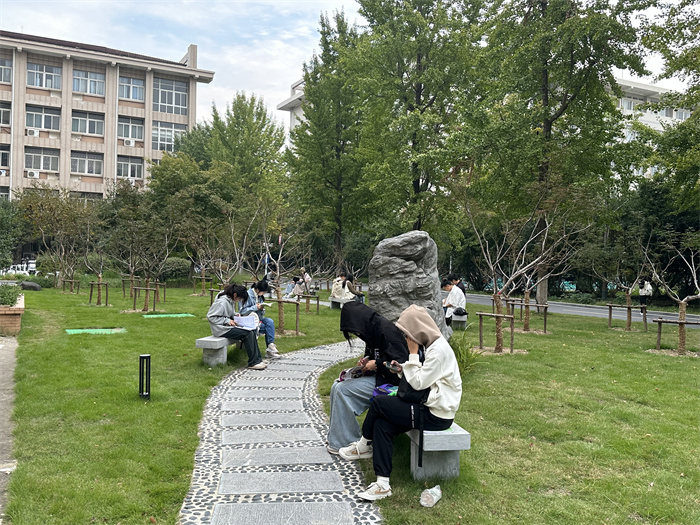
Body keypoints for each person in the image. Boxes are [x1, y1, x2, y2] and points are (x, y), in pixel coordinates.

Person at [339, 304, 462, 501]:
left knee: (379, 403)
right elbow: (423, 375)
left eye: (407, 335)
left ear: (417, 331)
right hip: (428, 406)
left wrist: (412, 353)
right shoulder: (433, 346)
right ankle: (383, 484)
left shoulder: (439, 351)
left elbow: (418, 382)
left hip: (436, 415)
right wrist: (401, 368)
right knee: (382, 424)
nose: (405, 339)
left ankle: (363, 446)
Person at [327, 302, 409, 455]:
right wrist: (366, 361)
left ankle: (346, 441)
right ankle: (337, 438)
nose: (357, 335)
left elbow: (401, 365)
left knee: (343, 390)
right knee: (336, 386)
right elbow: (376, 355)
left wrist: (376, 364)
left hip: (393, 385)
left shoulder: (386, 332)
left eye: (355, 331)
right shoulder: (372, 329)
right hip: (381, 379)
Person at [207, 283, 267, 370]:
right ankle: (253, 362)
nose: (239, 300)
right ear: (235, 295)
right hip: (221, 329)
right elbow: (211, 317)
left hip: (227, 327)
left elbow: (228, 313)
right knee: (248, 333)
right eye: (240, 298)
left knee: (253, 330)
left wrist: (236, 315)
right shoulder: (222, 302)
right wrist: (227, 321)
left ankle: (258, 359)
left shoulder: (230, 300)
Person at [240, 280, 281, 360]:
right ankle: (270, 351)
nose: (263, 294)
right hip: (249, 319)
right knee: (265, 327)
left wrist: (262, 309)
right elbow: (242, 311)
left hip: (258, 317)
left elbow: (262, 314)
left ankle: (270, 345)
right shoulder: (247, 295)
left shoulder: (259, 297)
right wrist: (255, 307)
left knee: (270, 321)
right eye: (263, 292)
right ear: (258, 290)